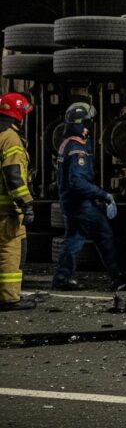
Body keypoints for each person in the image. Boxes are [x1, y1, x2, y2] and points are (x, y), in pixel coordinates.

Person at [53, 102, 126, 291]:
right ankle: (118, 278)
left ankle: (62, 279)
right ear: (84, 123)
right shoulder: (77, 147)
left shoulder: (68, 142)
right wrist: (103, 194)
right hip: (80, 204)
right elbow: (77, 181)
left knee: (74, 239)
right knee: (104, 234)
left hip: (71, 202)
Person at [0, 92, 37, 311]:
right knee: (10, 251)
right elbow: (13, 174)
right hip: (6, 210)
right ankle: (10, 298)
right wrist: (25, 202)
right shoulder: (10, 137)